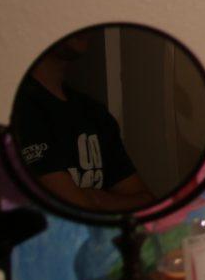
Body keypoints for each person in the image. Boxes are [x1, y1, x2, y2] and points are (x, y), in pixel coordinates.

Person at [10, 34, 154, 213]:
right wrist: (104, 201)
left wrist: (99, 199)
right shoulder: (21, 109)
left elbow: (147, 201)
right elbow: (73, 207)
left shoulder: (93, 112)